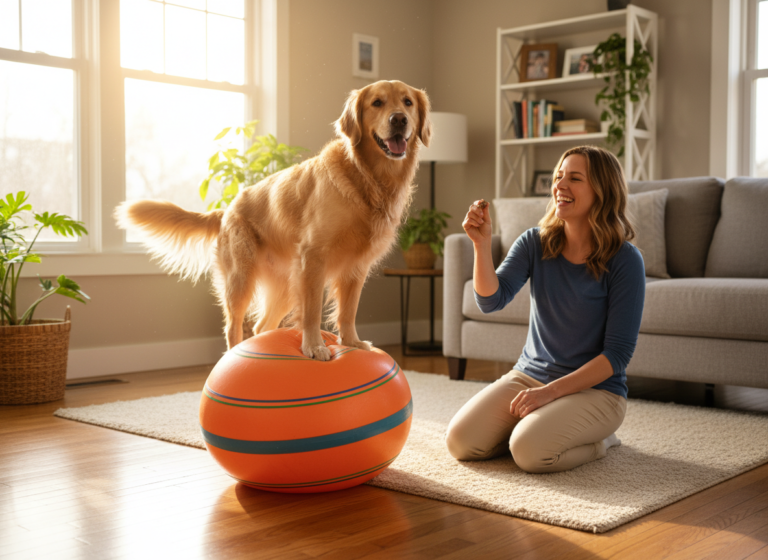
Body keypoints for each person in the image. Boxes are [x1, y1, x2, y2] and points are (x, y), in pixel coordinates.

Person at [445, 145, 645, 474]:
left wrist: (549, 394)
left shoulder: (625, 260)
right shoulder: (535, 242)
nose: (560, 186)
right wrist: (481, 246)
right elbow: (490, 300)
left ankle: (602, 441)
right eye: (558, 177)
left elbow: (617, 355)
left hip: (596, 392)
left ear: (602, 191)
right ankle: (533, 427)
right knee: (460, 442)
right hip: (529, 376)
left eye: (575, 178)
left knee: (529, 452)